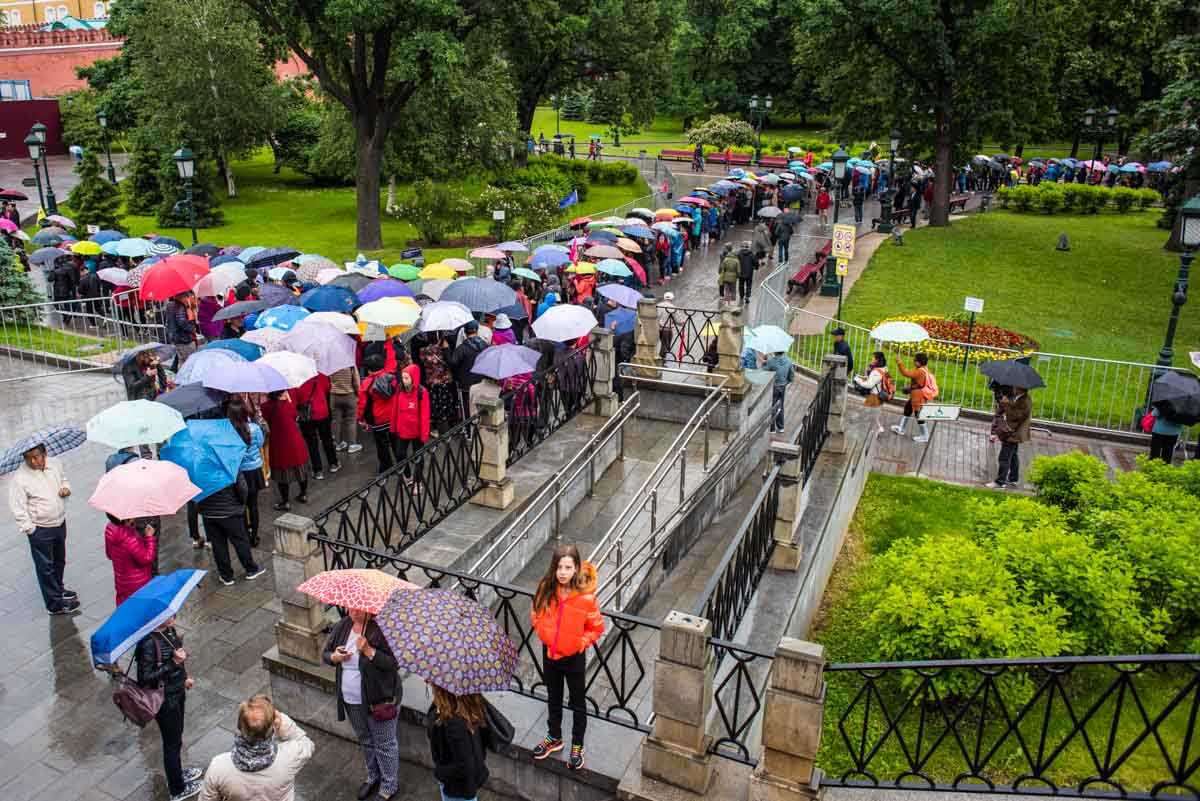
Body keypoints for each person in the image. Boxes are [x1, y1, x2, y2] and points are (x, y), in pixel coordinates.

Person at [530, 544, 604, 771]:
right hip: (550, 653)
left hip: (573, 658)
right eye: (559, 567)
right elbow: (535, 612)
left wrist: (579, 643)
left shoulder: (585, 598)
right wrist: (543, 632)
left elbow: (596, 628)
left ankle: (577, 745)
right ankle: (554, 737)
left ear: (576, 568)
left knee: (577, 702)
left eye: (568, 567)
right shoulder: (546, 588)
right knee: (553, 696)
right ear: (554, 568)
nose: (563, 572)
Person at [323, 608, 401, 801]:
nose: (353, 612)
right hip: (351, 700)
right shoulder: (344, 625)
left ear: (369, 609)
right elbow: (326, 653)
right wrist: (335, 657)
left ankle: (389, 785)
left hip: (378, 701)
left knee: (385, 743)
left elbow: (393, 664)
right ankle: (373, 776)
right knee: (365, 739)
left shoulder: (382, 629)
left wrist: (369, 651)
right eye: (351, 608)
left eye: (358, 610)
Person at [8, 442, 78, 615]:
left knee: (59, 560)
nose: (33, 461)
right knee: (45, 567)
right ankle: (54, 605)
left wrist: (66, 489)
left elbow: (64, 479)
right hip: (40, 529)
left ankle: (59, 590)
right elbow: (17, 507)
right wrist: (31, 529)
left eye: (37, 456)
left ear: (44, 453)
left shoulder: (55, 464)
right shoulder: (20, 478)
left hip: (59, 522)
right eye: (29, 458)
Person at [199, 695, 314, 801]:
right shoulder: (291, 755)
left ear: (239, 727)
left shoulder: (218, 767)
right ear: (272, 726)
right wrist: (282, 722)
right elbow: (307, 743)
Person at [137, 616, 202, 801]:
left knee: (177, 736)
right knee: (171, 743)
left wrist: (184, 678)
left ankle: (178, 773)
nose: (173, 616)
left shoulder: (170, 631)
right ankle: (177, 788)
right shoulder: (148, 643)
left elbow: (178, 659)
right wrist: (173, 663)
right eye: (167, 616)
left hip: (177, 691)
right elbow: (145, 678)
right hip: (165, 701)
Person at [198, 470, 264, 587]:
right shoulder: (229, 462)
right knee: (240, 541)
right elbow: (242, 488)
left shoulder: (197, 469)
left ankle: (226, 576)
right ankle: (251, 569)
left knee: (218, 545)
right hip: (230, 511)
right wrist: (240, 504)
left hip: (208, 513)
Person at [427, 683, 490, 801]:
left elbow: (465, 765)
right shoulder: (467, 707)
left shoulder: (454, 723)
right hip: (462, 785)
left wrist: (439, 773)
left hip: (458, 789)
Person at [260, 390, 311, 511]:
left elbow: (265, 418)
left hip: (279, 443)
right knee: (301, 469)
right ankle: (303, 494)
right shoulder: (288, 404)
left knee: (282, 474)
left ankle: (285, 501)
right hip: (295, 441)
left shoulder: (266, 407)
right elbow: (294, 415)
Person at [227, 398, 266, 547]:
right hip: (254, 470)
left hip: (239, 472)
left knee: (241, 505)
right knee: (253, 504)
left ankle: (245, 533)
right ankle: (255, 535)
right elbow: (261, 443)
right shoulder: (255, 428)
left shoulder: (230, 432)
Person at [389, 364, 431, 488]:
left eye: (407, 378)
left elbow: (425, 415)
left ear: (414, 378)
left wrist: (424, 434)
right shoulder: (399, 389)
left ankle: (418, 482)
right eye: (403, 377)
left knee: (418, 457)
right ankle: (408, 476)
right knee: (400, 454)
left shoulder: (422, 392)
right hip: (402, 430)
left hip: (417, 432)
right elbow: (395, 410)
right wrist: (393, 427)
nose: (404, 380)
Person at [293, 372, 340, 479]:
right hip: (322, 411)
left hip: (306, 416)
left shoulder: (295, 379)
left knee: (311, 443)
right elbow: (328, 388)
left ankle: (318, 470)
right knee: (327, 439)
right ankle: (333, 463)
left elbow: (295, 399)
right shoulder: (320, 374)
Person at [358, 354, 398, 474]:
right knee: (396, 442)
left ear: (368, 369)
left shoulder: (366, 383)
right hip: (393, 416)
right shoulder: (391, 378)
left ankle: (387, 467)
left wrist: (360, 419)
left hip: (378, 420)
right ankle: (401, 464)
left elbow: (362, 404)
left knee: (382, 446)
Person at [104, 514, 157, 605]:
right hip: (138, 584)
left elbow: (109, 555)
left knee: (125, 607)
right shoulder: (130, 539)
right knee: (140, 608)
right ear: (126, 519)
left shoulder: (109, 529)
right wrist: (149, 538)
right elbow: (147, 558)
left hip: (121, 582)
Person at [986, 386, 1032, 488]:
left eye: (1016, 386)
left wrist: (1005, 404)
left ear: (1020, 388)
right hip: (1014, 432)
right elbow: (1014, 410)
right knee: (1013, 455)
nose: (1013, 387)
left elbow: (1016, 416)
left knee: (1004, 457)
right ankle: (1013, 478)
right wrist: (1006, 403)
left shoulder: (1024, 401)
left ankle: (1000, 482)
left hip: (1013, 433)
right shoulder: (1020, 397)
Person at [891, 352, 938, 442]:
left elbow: (906, 373)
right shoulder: (923, 369)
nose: (913, 361)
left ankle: (925, 435)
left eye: (915, 360)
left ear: (918, 362)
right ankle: (901, 428)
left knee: (918, 414)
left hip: (918, 396)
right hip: (915, 395)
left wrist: (899, 362)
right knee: (908, 408)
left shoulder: (920, 371)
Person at [420, 334, 458, 433]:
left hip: (432, 382)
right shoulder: (443, 350)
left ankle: (437, 428)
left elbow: (423, 362)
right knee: (447, 403)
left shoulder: (423, 351)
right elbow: (450, 362)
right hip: (445, 381)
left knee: (435, 404)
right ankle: (448, 427)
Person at [449, 321, 487, 420]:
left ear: (465, 333)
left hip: (466, 384)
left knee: (467, 408)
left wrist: (446, 350)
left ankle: (469, 430)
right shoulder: (485, 345)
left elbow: (453, 362)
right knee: (480, 406)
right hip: (482, 382)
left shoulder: (462, 348)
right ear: (477, 331)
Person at [852, 351, 891, 433]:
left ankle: (873, 432)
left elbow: (869, 385)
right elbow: (874, 379)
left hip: (874, 396)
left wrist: (858, 380)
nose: (871, 359)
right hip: (881, 394)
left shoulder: (876, 372)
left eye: (873, 358)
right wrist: (864, 375)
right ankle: (878, 428)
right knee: (874, 415)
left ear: (877, 360)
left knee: (867, 413)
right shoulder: (884, 368)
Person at [330, 366, 363, 455]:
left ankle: (339, 444)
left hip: (334, 395)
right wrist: (358, 393)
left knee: (336, 421)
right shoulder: (350, 364)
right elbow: (356, 382)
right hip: (349, 394)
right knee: (351, 420)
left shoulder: (330, 365)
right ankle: (352, 445)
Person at [165, 291, 201, 367]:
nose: (187, 299)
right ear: (182, 297)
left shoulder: (169, 305)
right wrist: (192, 329)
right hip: (183, 338)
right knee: (189, 361)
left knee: (182, 361)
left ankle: (181, 377)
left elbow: (168, 321)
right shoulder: (179, 306)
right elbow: (182, 322)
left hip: (175, 338)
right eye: (186, 296)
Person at [763, 349, 795, 434]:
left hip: (773, 387)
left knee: (773, 406)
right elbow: (792, 377)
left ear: (775, 351)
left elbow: (764, 372)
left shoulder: (771, 361)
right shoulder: (789, 361)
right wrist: (785, 383)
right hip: (782, 386)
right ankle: (781, 427)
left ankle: (772, 428)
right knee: (780, 406)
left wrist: (764, 363)